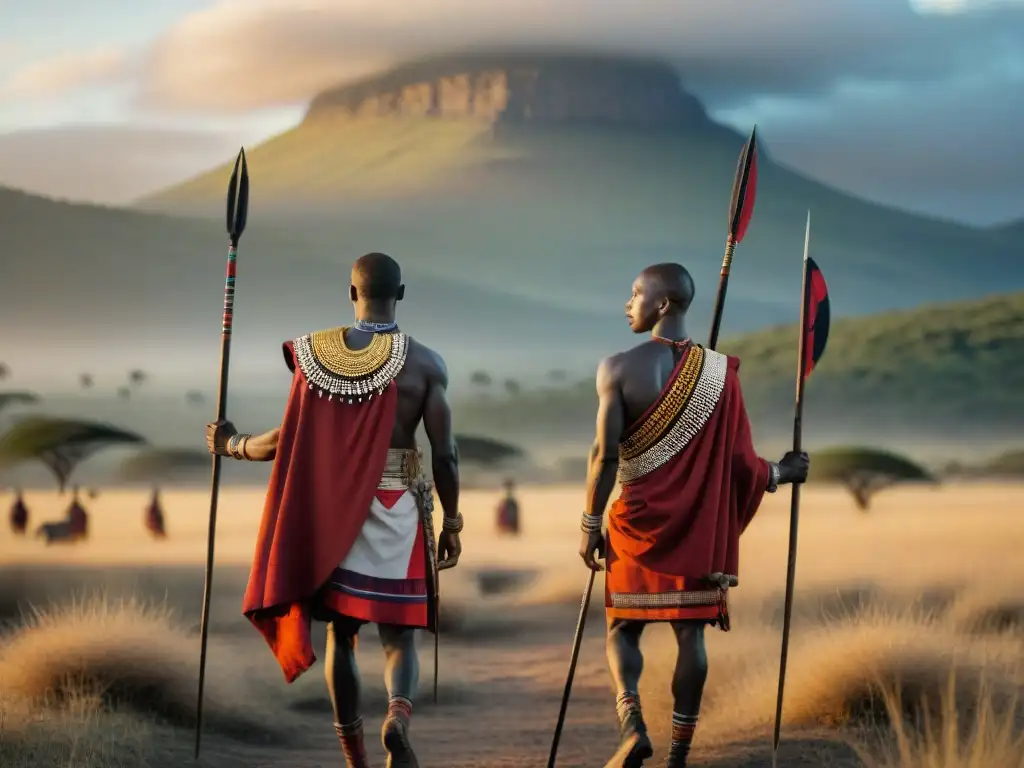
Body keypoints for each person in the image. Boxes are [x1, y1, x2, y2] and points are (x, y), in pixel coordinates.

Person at [206, 252, 462, 768]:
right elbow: (446, 454)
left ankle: (356, 759)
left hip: (337, 511)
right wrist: (452, 521)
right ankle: (398, 717)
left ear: (351, 293)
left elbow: (284, 439)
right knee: (399, 636)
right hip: (400, 507)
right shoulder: (428, 364)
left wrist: (232, 444)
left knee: (341, 635)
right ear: (402, 294)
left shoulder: (315, 356)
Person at [578, 263, 809, 768]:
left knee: (621, 628)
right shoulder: (722, 374)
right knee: (691, 634)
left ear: (662, 304)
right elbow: (742, 464)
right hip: (697, 527)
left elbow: (604, 455)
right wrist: (784, 472)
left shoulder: (616, 368)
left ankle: (632, 725)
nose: (628, 302)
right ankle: (679, 756)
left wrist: (591, 524)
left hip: (635, 523)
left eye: (635, 293)